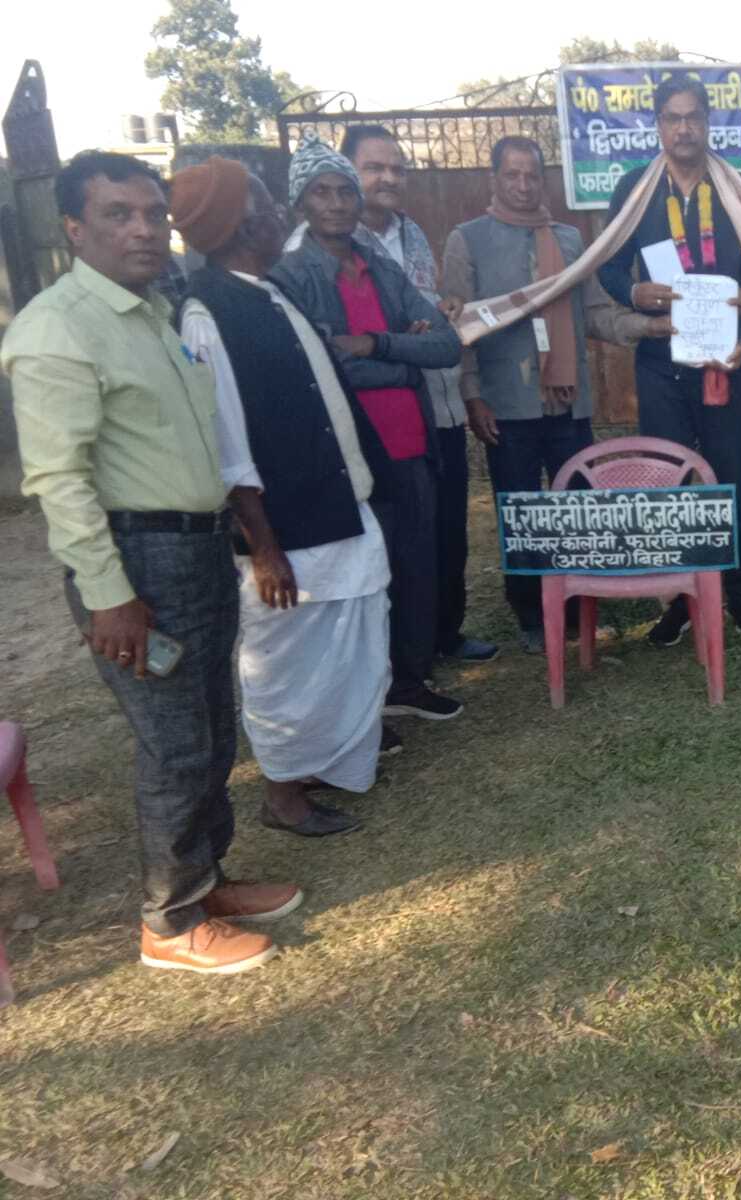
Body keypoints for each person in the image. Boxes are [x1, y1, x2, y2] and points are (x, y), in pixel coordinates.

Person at [2, 152, 296, 974]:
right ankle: (170, 923)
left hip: (196, 546)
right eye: (117, 215)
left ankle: (206, 882)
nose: (142, 230)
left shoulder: (153, 312)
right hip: (138, 563)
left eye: (151, 214)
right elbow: (59, 480)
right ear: (73, 228)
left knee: (212, 728)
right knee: (174, 745)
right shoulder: (58, 329)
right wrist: (110, 595)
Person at [173, 157, 391, 838]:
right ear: (242, 225)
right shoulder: (207, 313)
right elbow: (227, 442)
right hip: (285, 533)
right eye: (268, 206)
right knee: (288, 663)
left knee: (347, 647)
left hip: (334, 507)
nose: (281, 216)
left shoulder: (267, 289)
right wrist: (263, 548)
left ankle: (323, 761)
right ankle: (282, 794)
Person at [443, 136, 667, 653]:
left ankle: (578, 609)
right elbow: (461, 326)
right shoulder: (468, 239)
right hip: (506, 403)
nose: (523, 185)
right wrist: (473, 396)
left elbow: (595, 313)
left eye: (532, 175)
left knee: (577, 509)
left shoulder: (568, 240)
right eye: (512, 175)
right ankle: (530, 615)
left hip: (568, 402)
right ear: (494, 179)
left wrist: (649, 328)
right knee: (521, 513)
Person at [271, 139, 466, 722]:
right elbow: (321, 363)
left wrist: (378, 344)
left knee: (416, 567)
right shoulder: (291, 274)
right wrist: (403, 359)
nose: (336, 203)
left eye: (344, 192)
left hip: (412, 444)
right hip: (349, 452)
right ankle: (363, 701)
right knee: (360, 581)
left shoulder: (379, 265)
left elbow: (446, 345)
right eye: (321, 192)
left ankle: (408, 682)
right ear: (300, 202)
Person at [598, 75, 741, 644]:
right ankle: (676, 601)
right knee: (668, 482)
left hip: (725, 362)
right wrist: (633, 293)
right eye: (672, 117)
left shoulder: (739, 189)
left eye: (693, 116)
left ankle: (739, 596)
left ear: (708, 122)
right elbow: (606, 265)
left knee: (729, 477)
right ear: (657, 125)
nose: (684, 128)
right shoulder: (635, 190)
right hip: (661, 361)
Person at [338, 124, 496, 666]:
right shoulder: (335, 246)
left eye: (397, 169)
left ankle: (445, 633)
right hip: (385, 416)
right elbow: (355, 341)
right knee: (402, 535)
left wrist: (443, 309)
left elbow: (430, 314)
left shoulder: (412, 233)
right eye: (374, 168)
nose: (388, 178)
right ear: (347, 173)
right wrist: (410, 337)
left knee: (449, 527)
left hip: (441, 407)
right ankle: (403, 655)